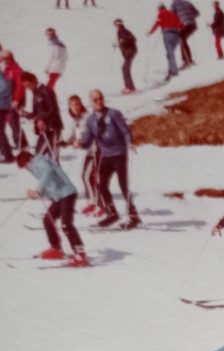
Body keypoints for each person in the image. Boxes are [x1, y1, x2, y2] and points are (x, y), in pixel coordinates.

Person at [75, 89, 141, 229]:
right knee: (101, 184)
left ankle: (133, 216)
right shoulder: (91, 120)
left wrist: (129, 142)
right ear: (91, 102)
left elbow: (125, 130)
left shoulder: (114, 113)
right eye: (95, 100)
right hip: (105, 155)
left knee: (123, 184)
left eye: (101, 98)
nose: (99, 102)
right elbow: (88, 140)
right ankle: (112, 212)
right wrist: (80, 143)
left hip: (119, 153)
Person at [16, 149, 88, 265]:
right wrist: (38, 195)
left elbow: (48, 172)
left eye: (25, 166)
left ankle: (80, 254)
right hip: (59, 197)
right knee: (48, 220)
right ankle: (56, 248)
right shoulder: (37, 167)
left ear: (29, 159)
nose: (27, 169)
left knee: (66, 224)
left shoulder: (39, 161)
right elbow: (49, 185)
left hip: (67, 193)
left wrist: (38, 190)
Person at [63, 94, 103, 216]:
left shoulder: (87, 118)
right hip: (91, 151)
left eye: (77, 104)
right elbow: (73, 136)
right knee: (86, 177)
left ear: (81, 105)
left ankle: (101, 205)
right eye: (72, 105)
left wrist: (80, 142)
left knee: (91, 177)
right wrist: (64, 142)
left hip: (98, 150)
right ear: (69, 107)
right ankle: (92, 202)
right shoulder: (76, 120)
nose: (75, 107)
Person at [20, 71, 63, 158]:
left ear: (34, 80)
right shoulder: (36, 93)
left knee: (52, 158)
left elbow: (53, 109)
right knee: (39, 157)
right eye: (25, 87)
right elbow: (37, 114)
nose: (28, 89)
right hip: (44, 130)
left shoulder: (46, 91)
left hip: (52, 128)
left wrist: (42, 119)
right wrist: (26, 114)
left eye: (28, 86)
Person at [148, 3, 184, 81]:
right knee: (170, 54)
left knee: (170, 54)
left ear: (160, 9)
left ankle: (174, 72)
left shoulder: (161, 13)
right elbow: (181, 25)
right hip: (176, 35)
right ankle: (171, 70)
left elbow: (158, 23)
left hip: (167, 34)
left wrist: (151, 32)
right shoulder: (173, 14)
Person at [1, 52, 28, 152]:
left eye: (8, 58)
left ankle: (21, 144)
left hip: (16, 100)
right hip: (8, 100)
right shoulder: (7, 69)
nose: (6, 60)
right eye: (4, 59)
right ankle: (21, 142)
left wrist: (16, 100)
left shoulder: (17, 70)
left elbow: (20, 87)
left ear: (12, 58)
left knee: (13, 121)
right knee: (11, 121)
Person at [172, 0, 200, 68]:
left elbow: (172, 15)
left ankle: (186, 61)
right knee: (182, 39)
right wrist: (190, 16)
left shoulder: (174, 4)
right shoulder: (187, 2)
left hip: (185, 25)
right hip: (193, 25)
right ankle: (188, 60)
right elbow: (197, 13)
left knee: (181, 39)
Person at [114, 19, 138, 94]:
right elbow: (130, 39)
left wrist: (124, 42)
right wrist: (120, 44)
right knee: (125, 69)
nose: (116, 26)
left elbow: (132, 39)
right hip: (129, 52)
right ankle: (130, 87)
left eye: (116, 25)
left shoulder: (122, 31)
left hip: (129, 52)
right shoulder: (123, 31)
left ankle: (129, 87)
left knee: (125, 69)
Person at [0, 64, 14, 163]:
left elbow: (5, 88)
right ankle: (6, 153)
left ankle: (8, 155)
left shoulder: (1, 76)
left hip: (2, 106)